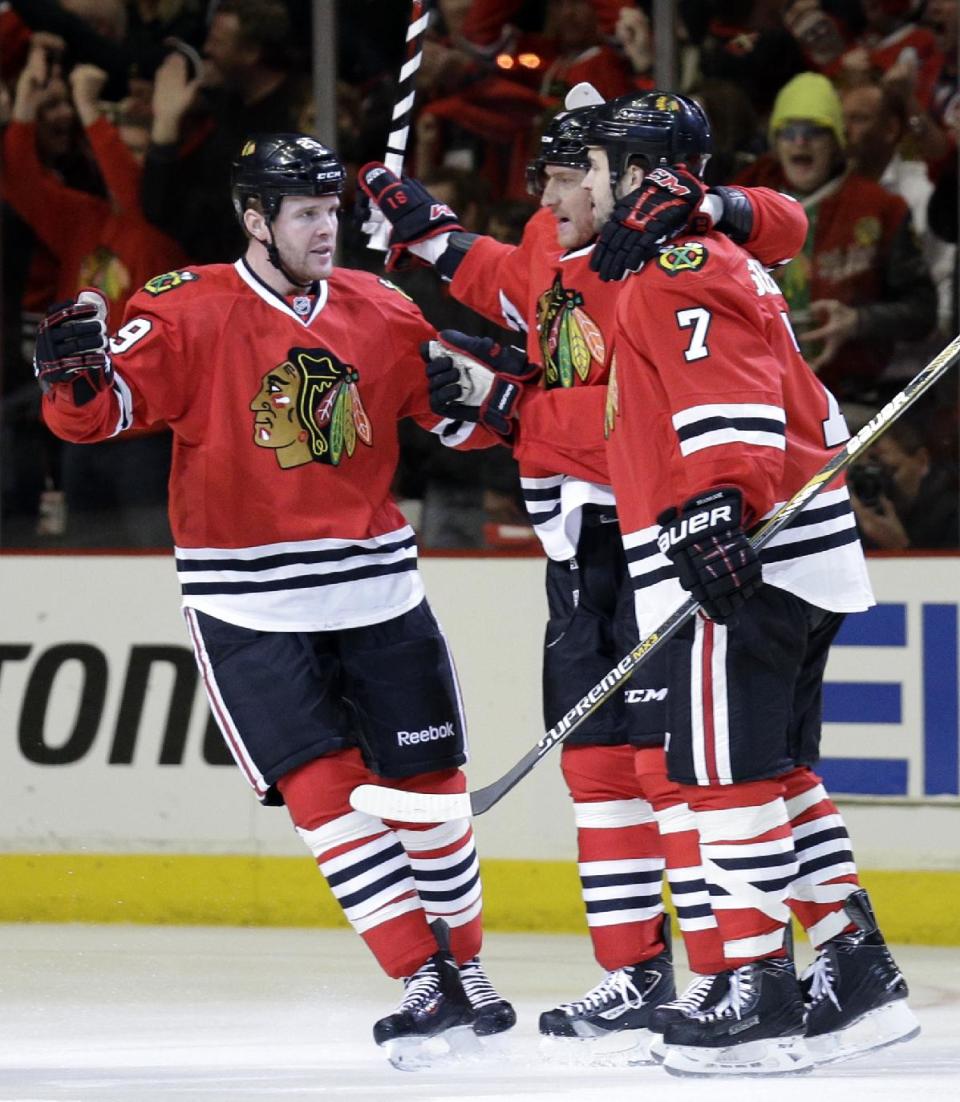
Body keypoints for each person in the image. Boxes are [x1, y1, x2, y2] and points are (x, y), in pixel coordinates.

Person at [422, 90, 920, 1076]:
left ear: (637, 176)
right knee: (774, 774)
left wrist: (711, 507)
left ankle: (757, 995)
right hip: (777, 541)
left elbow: (725, 396)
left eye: (591, 162)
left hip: (741, 549)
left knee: (721, 778)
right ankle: (856, 969)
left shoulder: (674, 264)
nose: (575, 178)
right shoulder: (667, 253)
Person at [31, 132, 516, 1065]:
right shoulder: (186, 309)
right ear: (254, 220)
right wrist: (75, 378)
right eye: (304, 213)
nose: (326, 228)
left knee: (429, 786)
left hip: (377, 589)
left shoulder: (380, 305)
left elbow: (465, 423)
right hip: (250, 605)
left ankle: (468, 970)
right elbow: (99, 413)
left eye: (331, 211)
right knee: (323, 795)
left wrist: (492, 392)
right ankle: (422, 974)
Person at [358, 90, 811, 1059]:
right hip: (572, 553)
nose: (555, 193)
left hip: (639, 534)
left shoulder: (650, 260)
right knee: (596, 766)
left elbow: (616, 415)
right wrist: (422, 228)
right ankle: (634, 968)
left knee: (672, 767)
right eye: (548, 177)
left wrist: (506, 402)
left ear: (617, 182)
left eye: (574, 175)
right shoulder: (546, 236)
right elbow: (506, 279)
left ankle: (726, 967)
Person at [734, 71, 937, 408]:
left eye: (815, 132)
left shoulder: (881, 208)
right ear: (776, 143)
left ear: (836, 142)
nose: (800, 142)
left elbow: (922, 311)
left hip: (852, 399)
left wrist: (858, 322)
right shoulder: (740, 204)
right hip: (759, 397)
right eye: (789, 132)